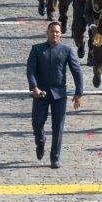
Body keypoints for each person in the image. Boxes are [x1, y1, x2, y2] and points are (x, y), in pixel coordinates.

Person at [26, 21, 84, 169]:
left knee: (58, 127)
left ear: (60, 34)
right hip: (41, 93)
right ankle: (40, 141)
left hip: (59, 94)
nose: (55, 34)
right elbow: (30, 70)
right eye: (52, 31)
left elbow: (77, 71)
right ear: (47, 32)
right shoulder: (37, 49)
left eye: (57, 32)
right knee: (37, 122)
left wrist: (78, 93)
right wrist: (34, 87)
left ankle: (55, 157)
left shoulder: (67, 50)